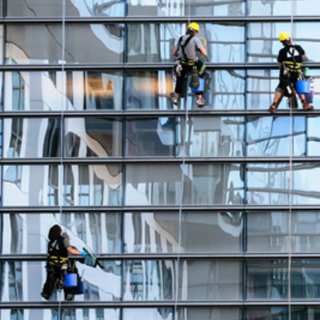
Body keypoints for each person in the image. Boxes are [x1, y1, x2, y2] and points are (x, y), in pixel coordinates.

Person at [269, 32, 313, 113]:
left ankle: (274, 105)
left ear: (282, 42)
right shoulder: (298, 47)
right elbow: (304, 55)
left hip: (287, 75)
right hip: (297, 73)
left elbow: (280, 65)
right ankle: (304, 104)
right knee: (298, 86)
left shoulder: (282, 51)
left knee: (280, 87)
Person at [41, 224, 87, 301]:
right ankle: (69, 293)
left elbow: (48, 254)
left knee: (51, 277)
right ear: (59, 232)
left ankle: (46, 293)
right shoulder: (63, 240)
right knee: (72, 272)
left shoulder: (50, 243)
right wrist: (81, 253)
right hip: (63, 265)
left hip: (54, 267)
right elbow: (70, 250)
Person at [169, 22, 208, 107]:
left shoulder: (180, 39)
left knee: (180, 78)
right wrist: (197, 49)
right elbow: (205, 53)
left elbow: (174, 53)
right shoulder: (195, 39)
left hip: (182, 64)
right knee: (200, 73)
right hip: (192, 64)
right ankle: (199, 98)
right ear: (195, 32)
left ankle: (176, 96)